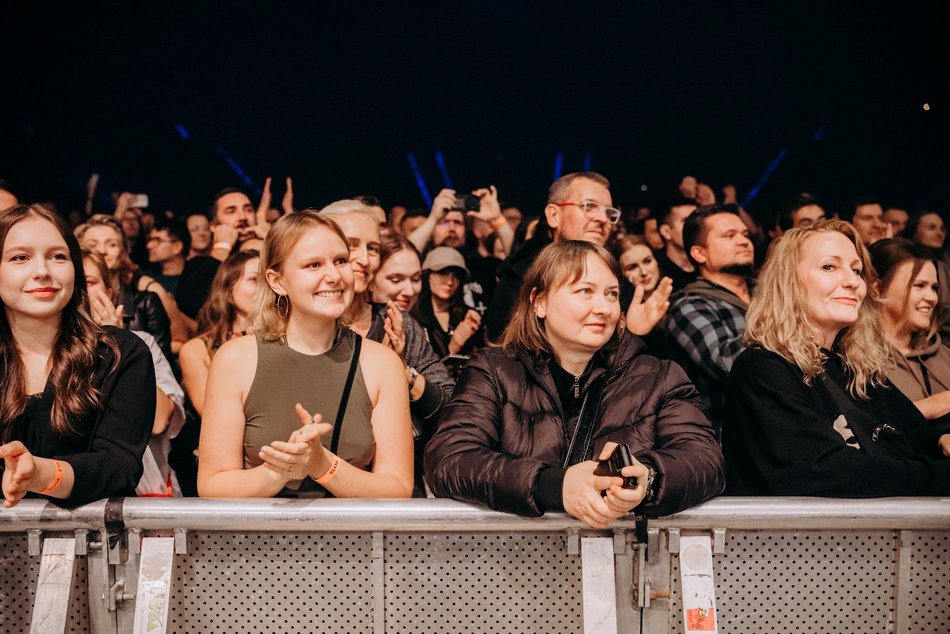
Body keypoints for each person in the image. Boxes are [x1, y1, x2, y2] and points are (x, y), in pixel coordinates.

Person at [425, 240, 723, 527]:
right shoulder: (493, 371)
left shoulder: (659, 377)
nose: (604, 308)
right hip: (518, 557)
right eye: (585, 291)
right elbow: (450, 459)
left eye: (611, 294)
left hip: (623, 556)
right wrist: (555, 486)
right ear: (539, 302)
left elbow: (706, 460)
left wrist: (649, 478)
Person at [723, 220, 950, 496]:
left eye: (856, 270)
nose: (853, 282)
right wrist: (939, 474)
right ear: (788, 282)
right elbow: (829, 471)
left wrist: (941, 440)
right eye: (829, 267)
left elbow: (917, 433)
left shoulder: (854, 368)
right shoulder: (763, 368)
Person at [197, 211, 413, 498]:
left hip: (354, 528)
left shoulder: (382, 364)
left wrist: (323, 466)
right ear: (277, 281)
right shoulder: (235, 360)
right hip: (260, 528)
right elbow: (212, 484)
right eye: (314, 265)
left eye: (341, 261)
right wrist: (282, 469)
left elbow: (398, 488)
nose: (334, 276)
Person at [0, 204, 155, 507]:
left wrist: (42, 474)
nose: (42, 271)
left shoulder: (118, 353)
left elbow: (119, 465)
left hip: (93, 535)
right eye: (20, 258)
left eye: (58, 256)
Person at [485, 172, 671, 342]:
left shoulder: (617, 280)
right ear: (554, 215)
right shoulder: (522, 275)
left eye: (608, 212)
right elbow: (499, 349)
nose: (602, 219)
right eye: (589, 206)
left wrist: (636, 333)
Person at [83, 250, 185, 496]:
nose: (81, 293)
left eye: (89, 282)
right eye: (74, 283)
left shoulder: (142, 343)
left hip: (145, 499)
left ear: (109, 293)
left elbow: (159, 421)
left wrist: (118, 345)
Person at [665, 204, 756, 434]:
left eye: (745, 234)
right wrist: (784, 320)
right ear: (699, 253)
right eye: (729, 235)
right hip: (737, 437)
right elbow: (731, 364)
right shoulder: (689, 305)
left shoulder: (767, 292)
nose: (744, 241)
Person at [870, 239, 950, 432]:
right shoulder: (857, 361)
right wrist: (925, 408)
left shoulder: (944, 355)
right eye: (919, 285)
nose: (932, 298)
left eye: (934, 287)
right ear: (877, 289)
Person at [76, 214, 179, 360]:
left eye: (112, 244)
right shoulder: (69, 303)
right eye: (93, 245)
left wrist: (120, 339)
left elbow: (161, 362)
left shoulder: (147, 298)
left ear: (123, 251)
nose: (102, 250)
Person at [413, 247, 484, 358]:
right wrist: (453, 346)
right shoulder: (414, 318)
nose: (450, 282)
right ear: (428, 276)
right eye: (443, 273)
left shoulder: (467, 316)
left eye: (456, 275)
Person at [655, 197, 698, 291]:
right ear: (666, 232)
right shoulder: (655, 270)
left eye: (697, 220)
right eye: (686, 221)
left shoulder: (709, 262)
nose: (695, 226)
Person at [145, 219, 190, 294]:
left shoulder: (196, 278)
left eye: (157, 240)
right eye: (150, 240)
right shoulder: (146, 279)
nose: (149, 246)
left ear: (177, 247)